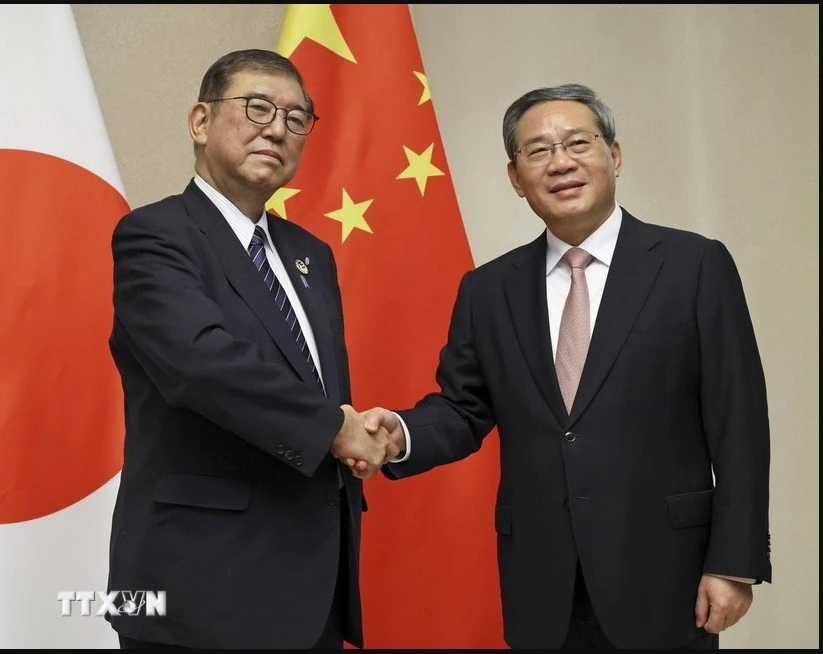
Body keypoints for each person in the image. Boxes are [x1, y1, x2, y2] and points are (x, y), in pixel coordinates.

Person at [358, 83, 772, 649]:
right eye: (538, 151)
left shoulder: (693, 265)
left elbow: (739, 424)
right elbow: (462, 408)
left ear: (614, 155)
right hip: (542, 580)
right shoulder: (488, 289)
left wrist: (734, 561)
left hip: (665, 573)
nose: (561, 162)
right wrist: (399, 434)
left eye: (578, 142)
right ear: (515, 177)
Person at [106, 48, 397, 649]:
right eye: (257, 107)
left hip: (313, 588)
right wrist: (333, 429)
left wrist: (357, 432)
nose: (276, 128)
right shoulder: (155, 235)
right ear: (200, 121)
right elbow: (200, 365)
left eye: (296, 119)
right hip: (203, 589)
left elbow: (320, 389)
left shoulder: (310, 254)